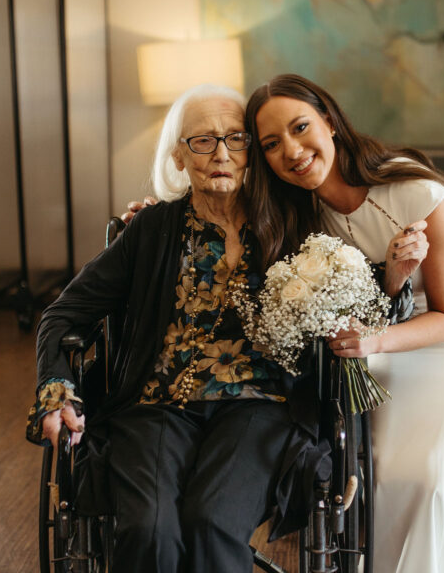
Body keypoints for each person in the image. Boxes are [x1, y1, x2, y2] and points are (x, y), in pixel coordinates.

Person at [25, 84, 326, 572]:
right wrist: (56, 389)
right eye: (203, 141)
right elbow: (63, 314)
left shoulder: (290, 224)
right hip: (157, 405)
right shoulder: (151, 229)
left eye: (235, 138)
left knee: (212, 522)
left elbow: (355, 290)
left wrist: (396, 279)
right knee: (148, 528)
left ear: (251, 150)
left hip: (258, 406)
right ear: (180, 157)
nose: (221, 154)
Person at [244, 73, 444, 573]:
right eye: (272, 143)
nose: (291, 150)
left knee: (438, 471)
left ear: (329, 122)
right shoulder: (298, 216)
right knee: (386, 472)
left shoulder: (414, 190)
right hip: (389, 347)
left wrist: (373, 340)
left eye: (300, 126)